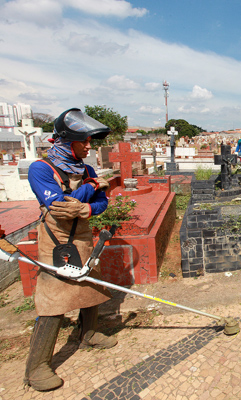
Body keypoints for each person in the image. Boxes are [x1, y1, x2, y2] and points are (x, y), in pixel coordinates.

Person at [25, 108, 117, 391]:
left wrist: (88, 205)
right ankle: (37, 366)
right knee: (53, 298)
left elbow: (101, 204)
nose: (89, 146)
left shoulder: (86, 169)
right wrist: (89, 188)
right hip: (56, 238)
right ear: (66, 141)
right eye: (84, 141)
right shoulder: (41, 169)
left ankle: (88, 333)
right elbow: (60, 207)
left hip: (83, 235)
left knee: (91, 284)